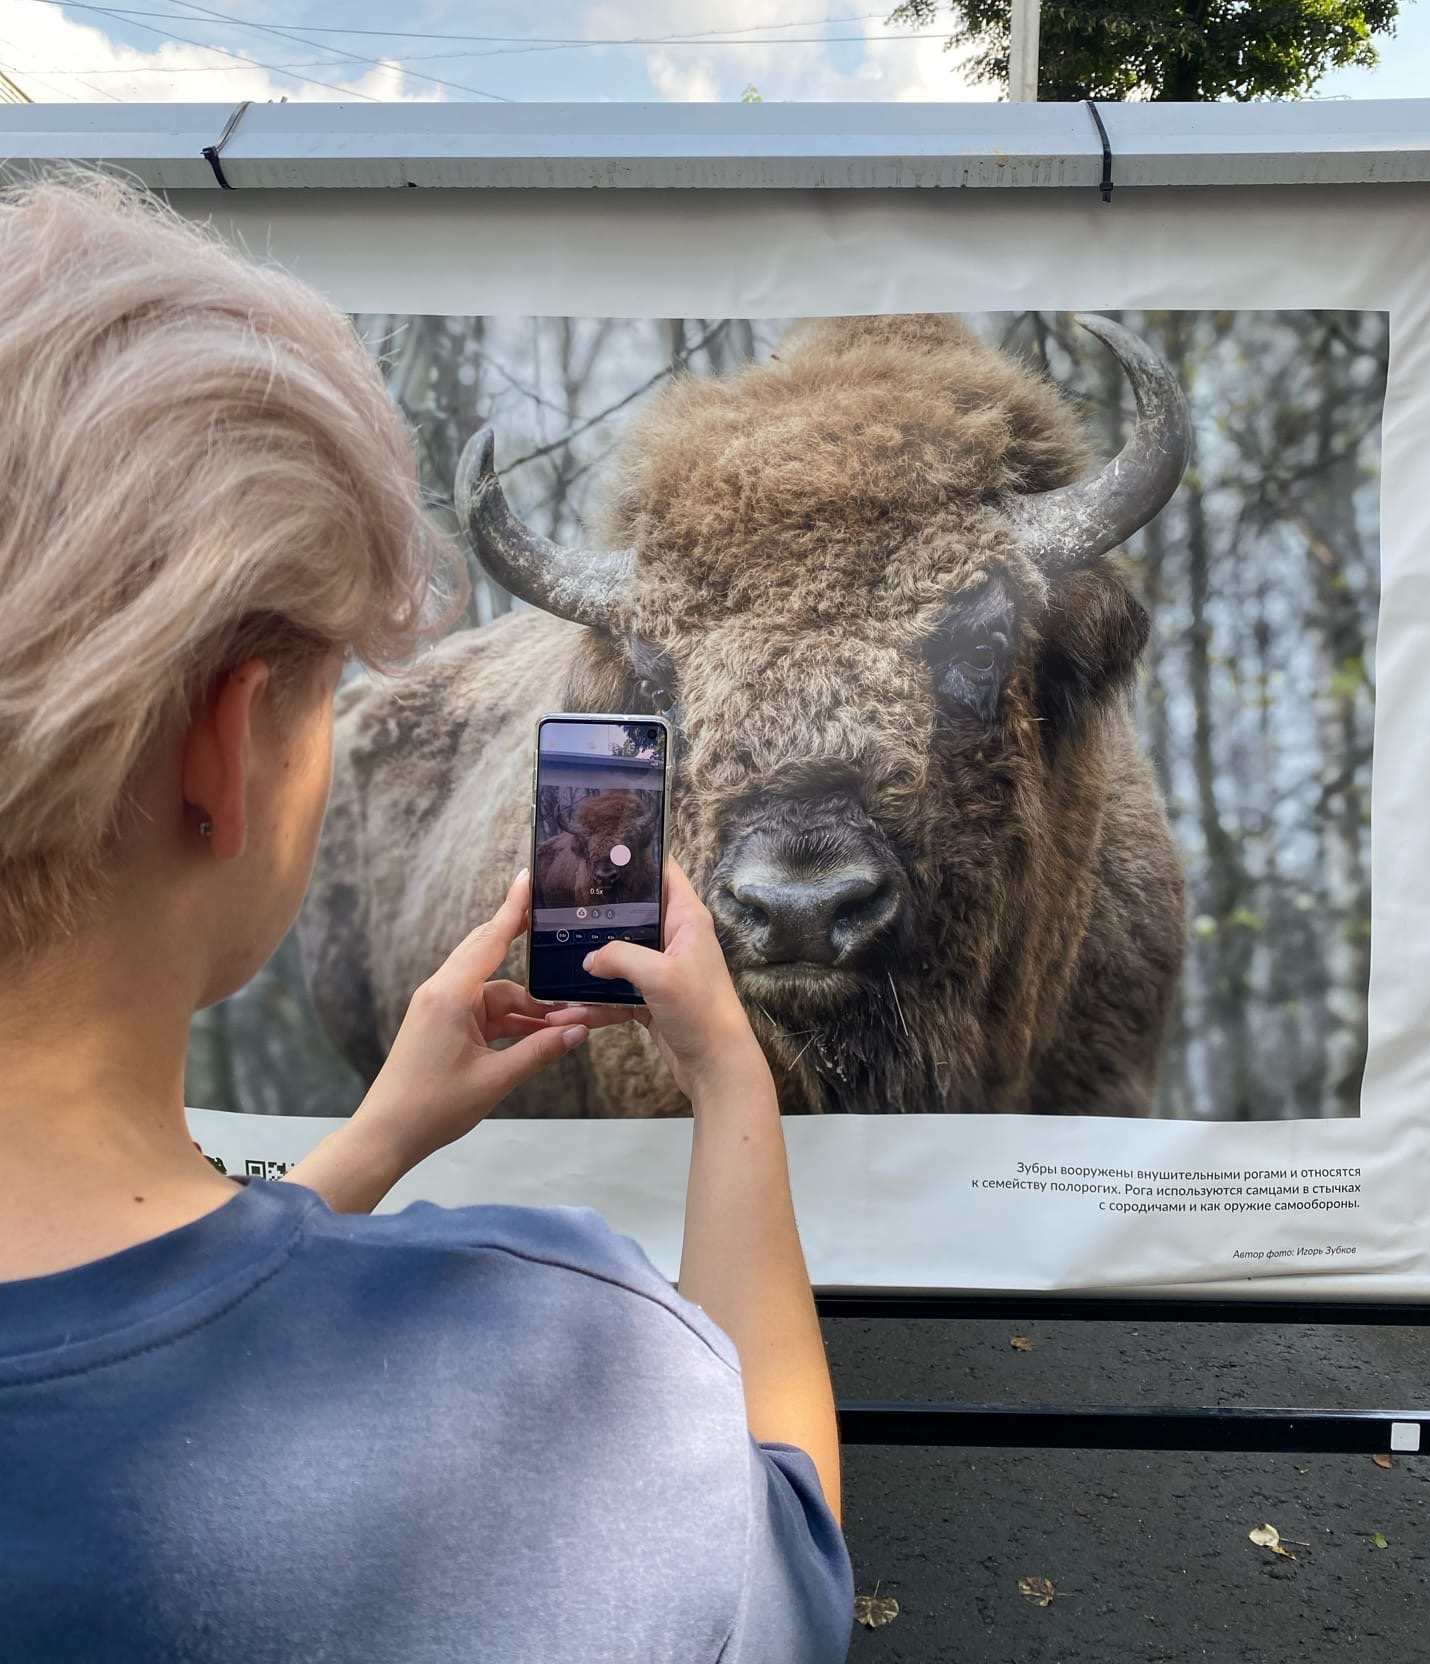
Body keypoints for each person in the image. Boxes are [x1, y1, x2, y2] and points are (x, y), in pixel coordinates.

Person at [0, 176, 854, 1663]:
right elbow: (783, 1552)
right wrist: (732, 1082)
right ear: (224, 744)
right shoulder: (562, 1384)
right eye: (334, 697)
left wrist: (374, 1142)